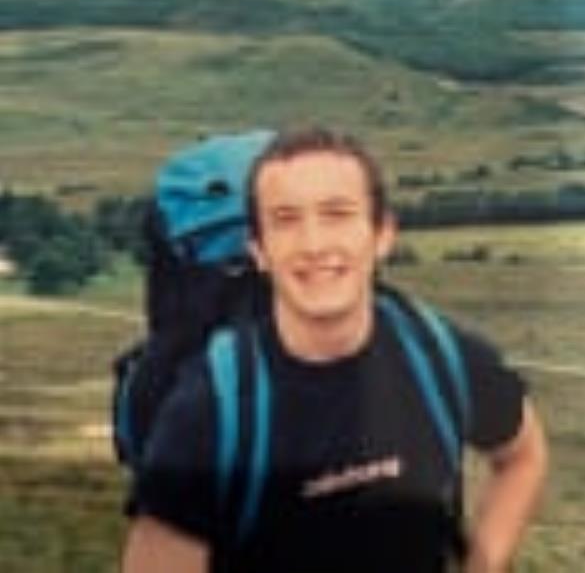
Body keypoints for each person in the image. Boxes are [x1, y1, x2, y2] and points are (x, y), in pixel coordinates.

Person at [122, 128, 548, 573]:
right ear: (259, 250)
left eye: (337, 214)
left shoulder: (440, 354)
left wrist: (483, 565)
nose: (314, 244)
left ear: (382, 233)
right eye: (287, 220)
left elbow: (523, 456)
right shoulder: (209, 413)